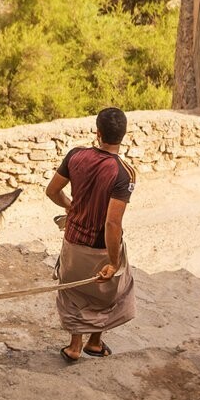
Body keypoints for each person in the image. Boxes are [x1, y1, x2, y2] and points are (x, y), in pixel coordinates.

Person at [45, 107, 137, 362]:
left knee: (76, 294)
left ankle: (74, 347)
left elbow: (52, 191)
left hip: (73, 241)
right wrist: (113, 260)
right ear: (123, 135)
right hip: (100, 246)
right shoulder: (123, 173)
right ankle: (94, 342)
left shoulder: (75, 155)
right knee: (110, 292)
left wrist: (69, 205)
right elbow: (112, 223)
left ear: (98, 133)